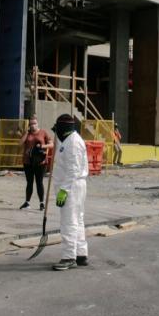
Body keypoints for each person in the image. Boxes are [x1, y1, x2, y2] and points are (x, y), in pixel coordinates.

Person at [51, 114, 89, 271]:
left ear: (63, 129)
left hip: (71, 187)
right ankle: (81, 254)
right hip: (75, 186)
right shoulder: (68, 140)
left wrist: (63, 191)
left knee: (69, 222)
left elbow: (73, 170)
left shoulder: (73, 143)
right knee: (78, 221)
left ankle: (68, 257)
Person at [19, 115, 52, 210]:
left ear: (37, 124)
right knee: (29, 182)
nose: (33, 125)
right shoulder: (27, 133)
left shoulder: (43, 132)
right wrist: (26, 133)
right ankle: (27, 202)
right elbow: (20, 143)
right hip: (28, 162)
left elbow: (51, 144)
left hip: (40, 162)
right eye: (31, 124)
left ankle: (41, 203)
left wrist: (42, 147)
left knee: (39, 182)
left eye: (34, 123)